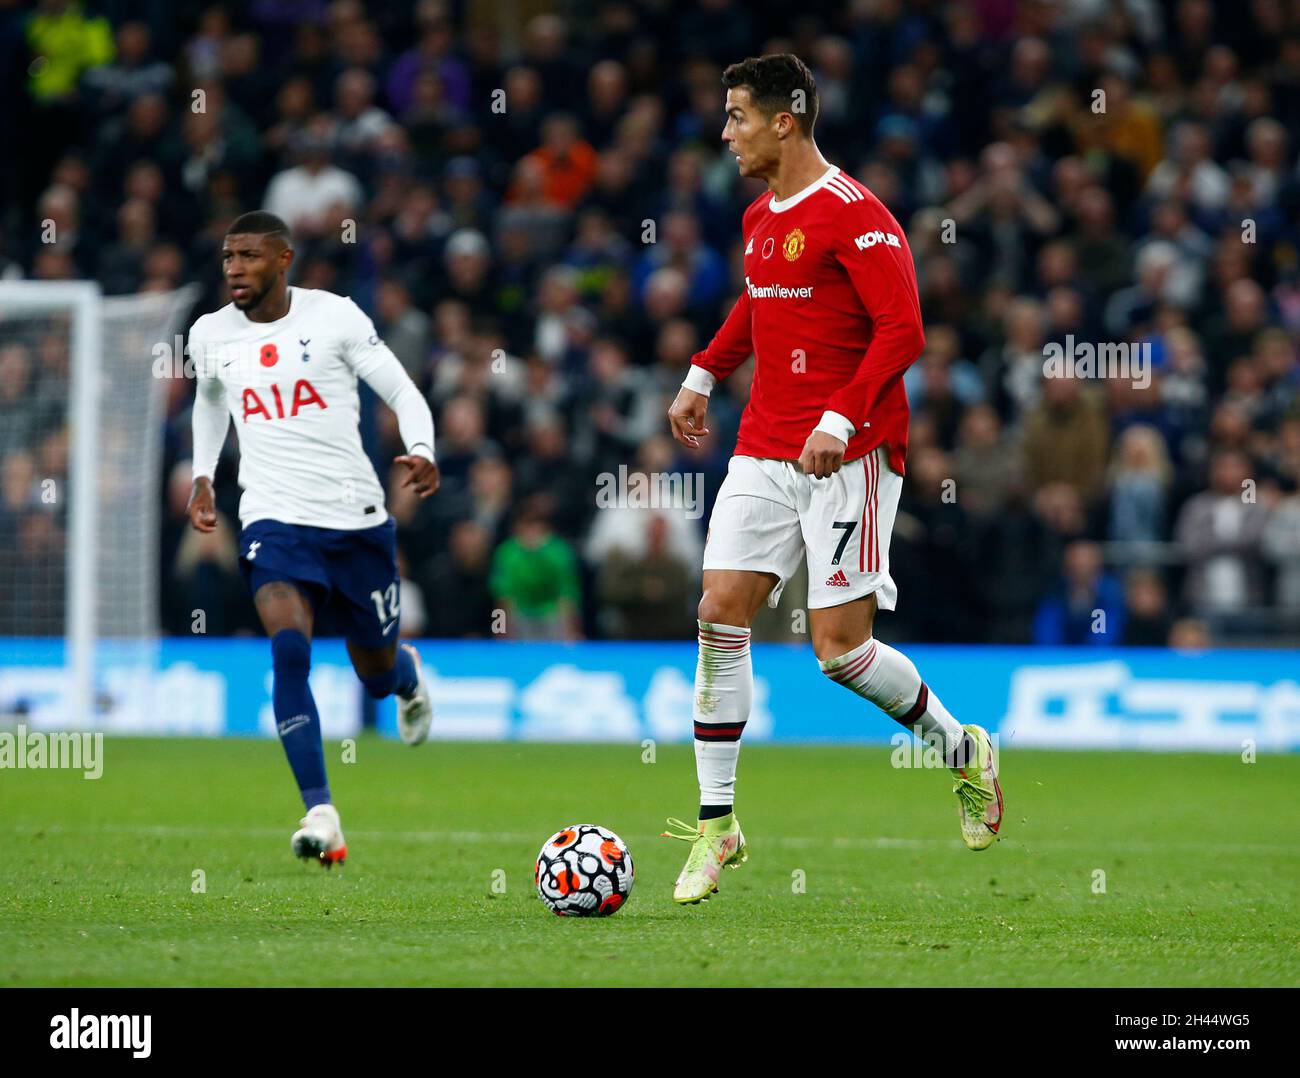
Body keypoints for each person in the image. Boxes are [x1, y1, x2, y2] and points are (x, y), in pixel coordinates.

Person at [663, 55, 1002, 905]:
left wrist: (841, 416)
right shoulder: (758, 215)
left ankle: (963, 752)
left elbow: (905, 330)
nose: (727, 131)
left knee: (838, 652)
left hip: (849, 454)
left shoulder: (858, 215)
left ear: (786, 120)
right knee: (717, 613)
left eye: (738, 115)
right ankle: (717, 826)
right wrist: (705, 372)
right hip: (764, 445)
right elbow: (760, 298)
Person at [186, 211, 440, 868]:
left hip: (355, 521)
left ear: (283, 258)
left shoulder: (336, 318)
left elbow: (402, 391)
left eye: (248, 255)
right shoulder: (210, 333)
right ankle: (320, 810)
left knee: (375, 676)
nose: (235, 268)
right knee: (289, 647)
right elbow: (210, 400)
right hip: (273, 519)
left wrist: (421, 448)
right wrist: (203, 475)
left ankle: (407, 676)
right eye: (227, 257)